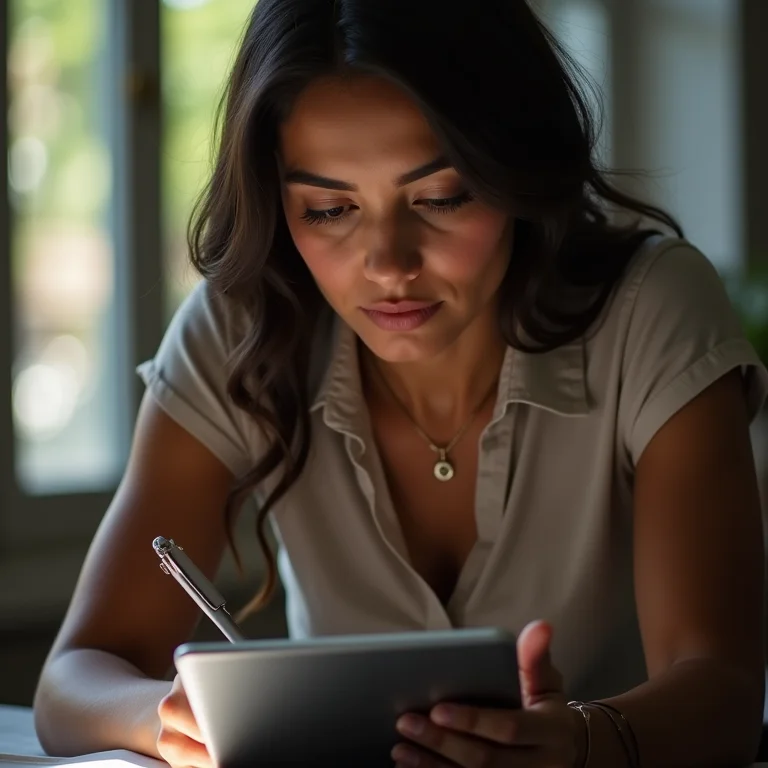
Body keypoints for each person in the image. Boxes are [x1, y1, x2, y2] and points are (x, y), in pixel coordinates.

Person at [33, 0, 767, 766]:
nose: (388, 263)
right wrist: (169, 717)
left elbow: (721, 691)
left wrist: (581, 744)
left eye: (440, 198)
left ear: (517, 167)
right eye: (329, 209)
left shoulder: (651, 308)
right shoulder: (244, 328)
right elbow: (72, 682)